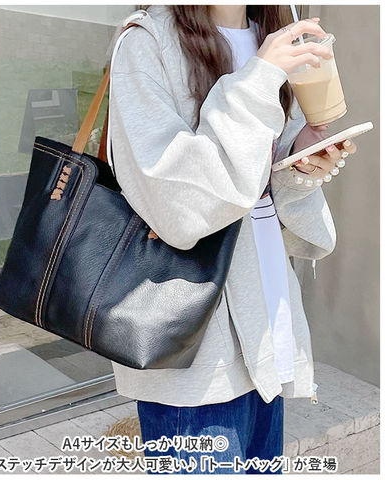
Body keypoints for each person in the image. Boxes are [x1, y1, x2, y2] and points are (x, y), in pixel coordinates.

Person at [106, 4, 358, 475]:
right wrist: (259, 77)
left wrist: (299, 159)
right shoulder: (147, 41)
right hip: (195, 350)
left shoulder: (272, 34)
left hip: (266, 326)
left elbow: (259, 181)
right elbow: (177, 206)